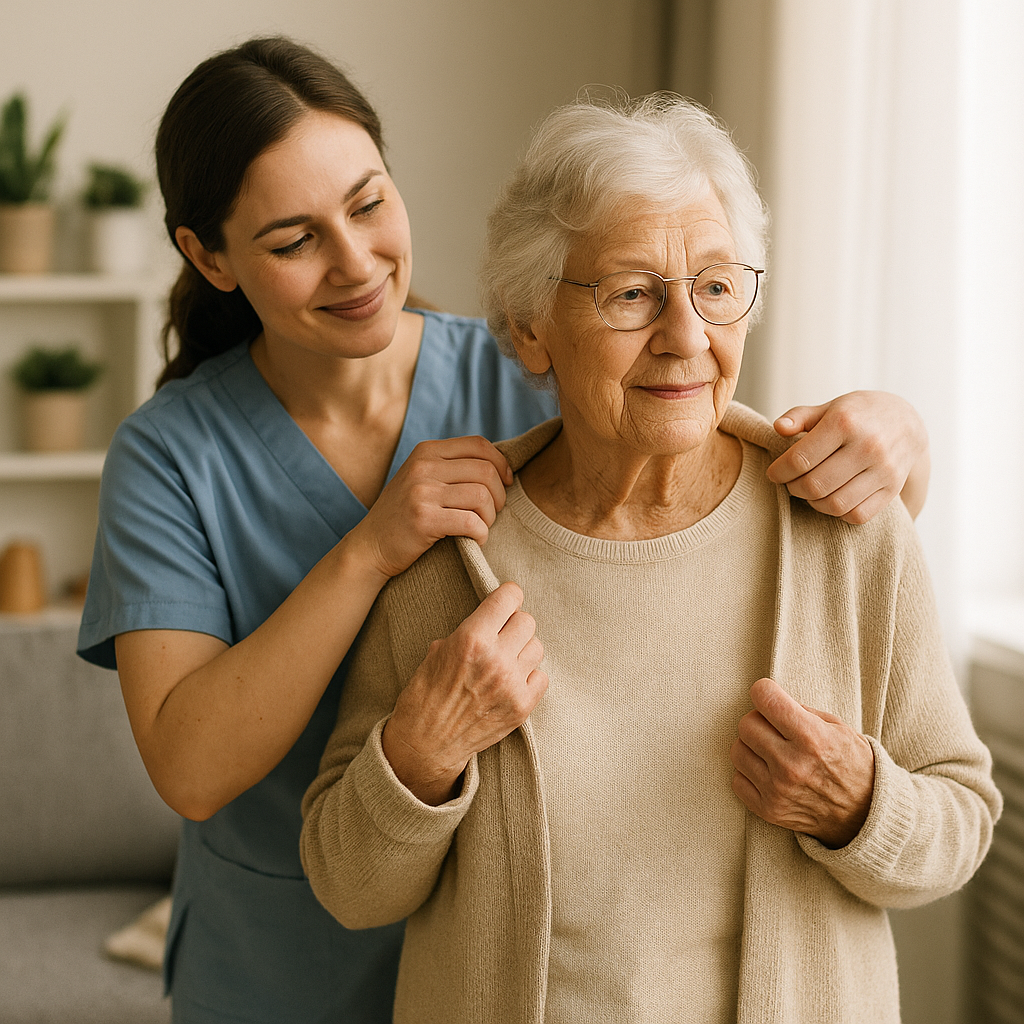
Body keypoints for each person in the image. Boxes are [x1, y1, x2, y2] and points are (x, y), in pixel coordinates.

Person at [76, 36, 928, 1024]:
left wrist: (903, 437)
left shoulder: (530, 356)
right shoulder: (168, 454)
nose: (356, 262)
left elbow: (720, 468)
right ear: (208, 256)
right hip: (286, 957)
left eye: (367, 203)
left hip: (500, 958)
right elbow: (190, 767)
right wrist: (369, 550)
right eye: (292, 240)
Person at [300, 92, 1001, 1024]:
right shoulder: (445, 554)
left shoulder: (843, 523)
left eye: (715, 287)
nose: (686, 338)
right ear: (528, 328)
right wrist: (420, 752)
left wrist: (859, 802)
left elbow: (962, 821)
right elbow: (350, 887)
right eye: (632, 293)